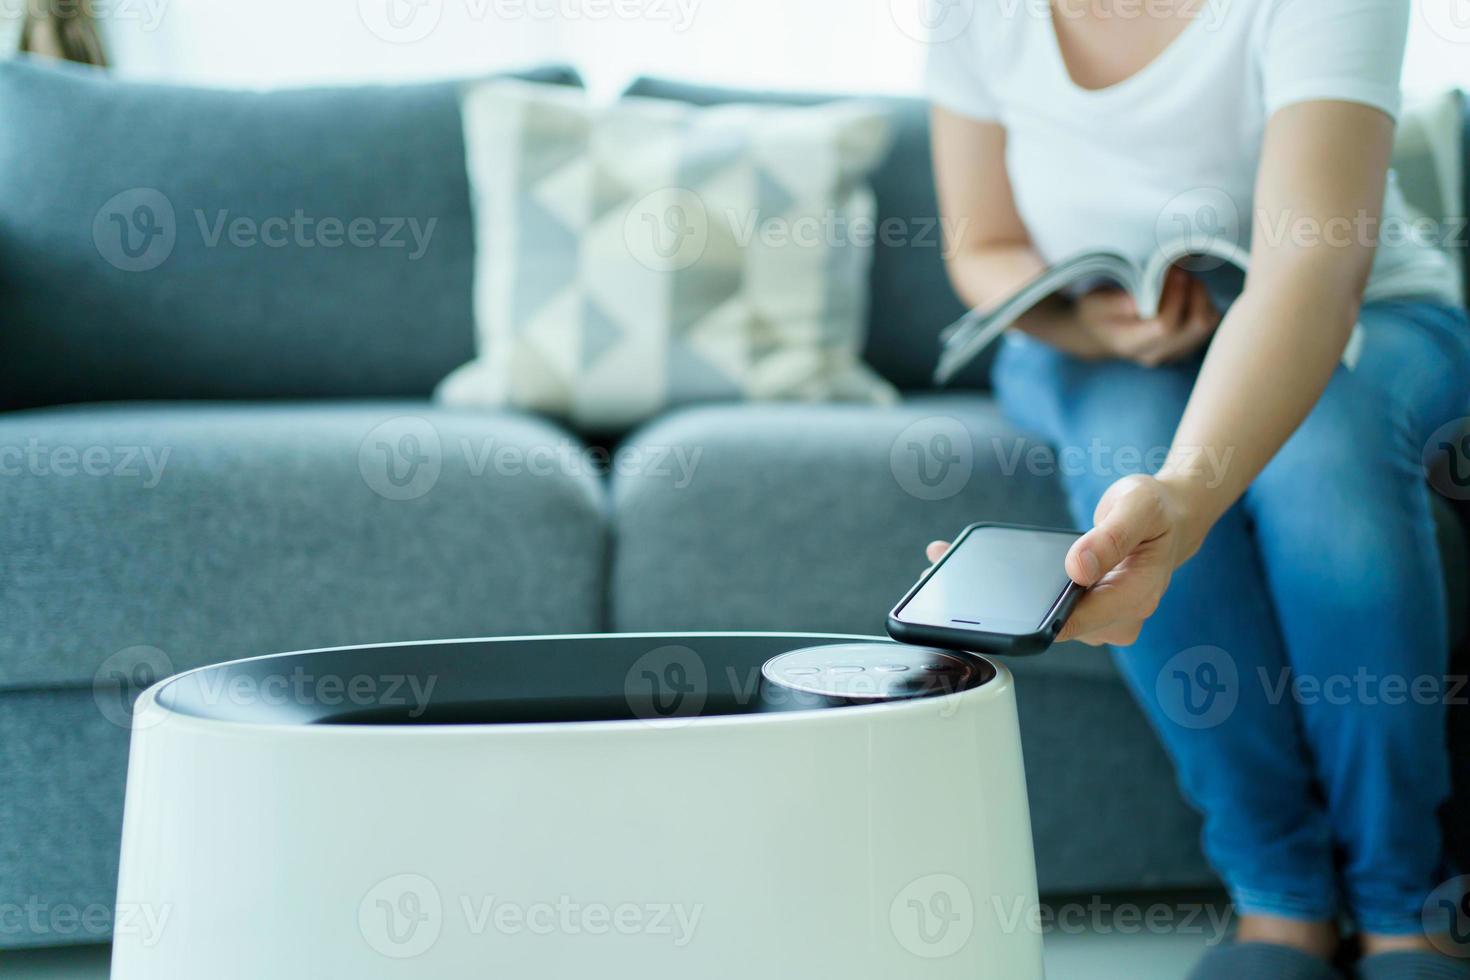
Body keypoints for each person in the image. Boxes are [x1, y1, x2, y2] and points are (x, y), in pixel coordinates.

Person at [923, 1, 1470, 977]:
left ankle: (1401, 902)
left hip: (1372, 310)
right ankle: (1279, 899)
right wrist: (1100, 330)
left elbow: (1312, 267)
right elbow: (983, 246)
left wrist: (1185, 495)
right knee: (1122, 439)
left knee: (1319, 448)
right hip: (1094, 335)